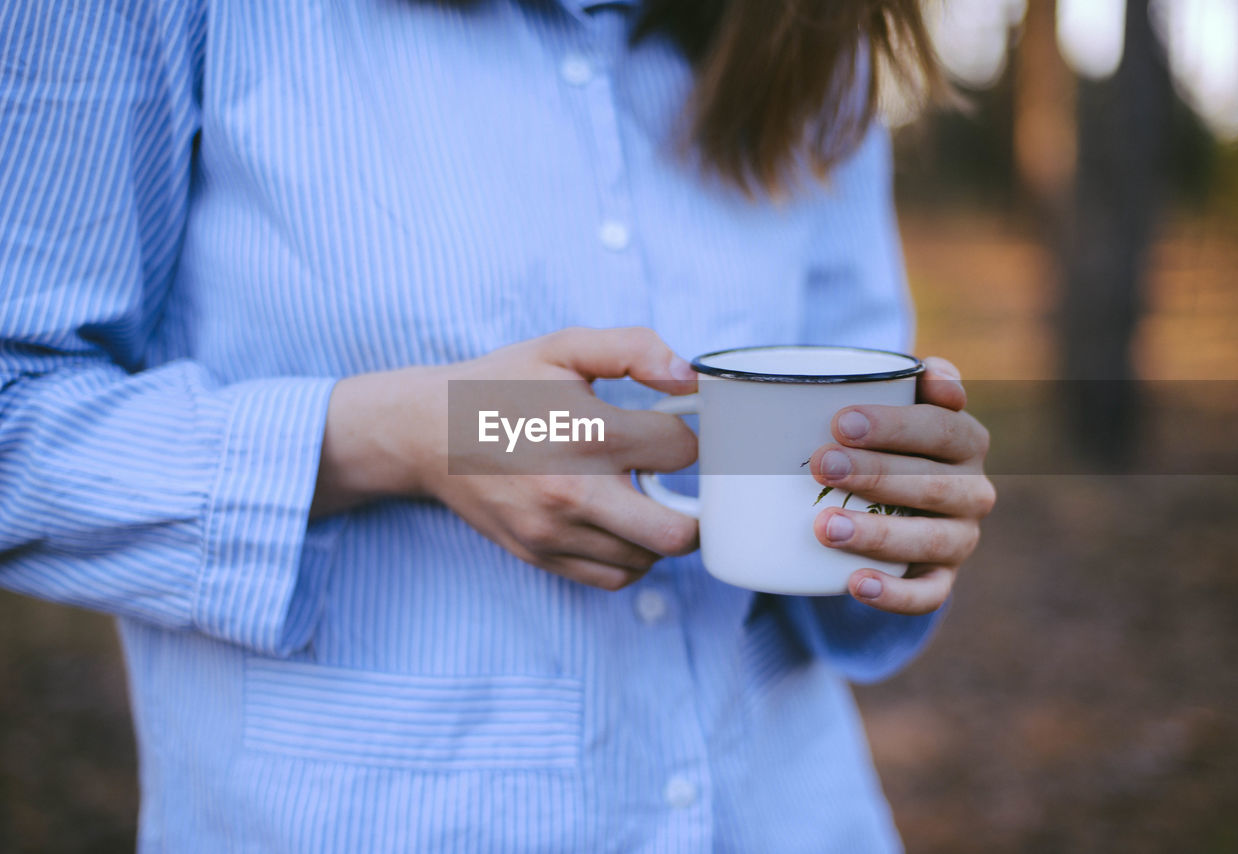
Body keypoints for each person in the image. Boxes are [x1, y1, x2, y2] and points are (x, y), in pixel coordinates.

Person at [0, 0, 994, 851]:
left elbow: (849, 491)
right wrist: (406, 434)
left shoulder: (805, 26)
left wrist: (890, 532)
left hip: (792, 811)